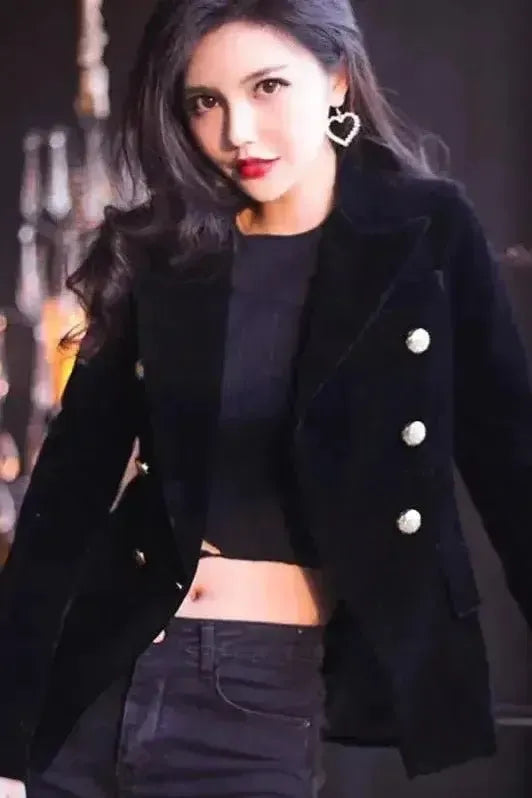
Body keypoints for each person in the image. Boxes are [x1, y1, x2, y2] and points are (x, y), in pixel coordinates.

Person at [1, 0, 531, 796]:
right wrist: (6, 740)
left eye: (267, 87)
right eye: (204, 102)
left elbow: (513, 467)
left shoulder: (426, 232)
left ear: (338, 80)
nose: (237, 132)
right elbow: (65, 497)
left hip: (252, 697)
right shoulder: (165, 248)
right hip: (94, 669)